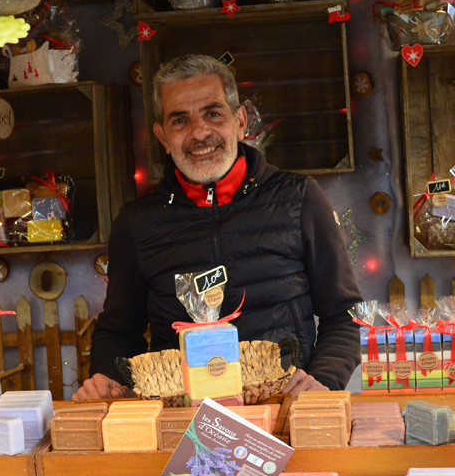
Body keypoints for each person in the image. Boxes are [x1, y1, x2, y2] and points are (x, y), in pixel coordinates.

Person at [77, 54, 362, 399]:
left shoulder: (299, 198)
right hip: (183, 416)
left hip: (286, 409)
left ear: (240, 121)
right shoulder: (137, 224)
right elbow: (119, 331)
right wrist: (106, 378)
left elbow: (344, 316)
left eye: (213, 113)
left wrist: (324, 380)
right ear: (163, 138)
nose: (199, 132)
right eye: (179, 121)